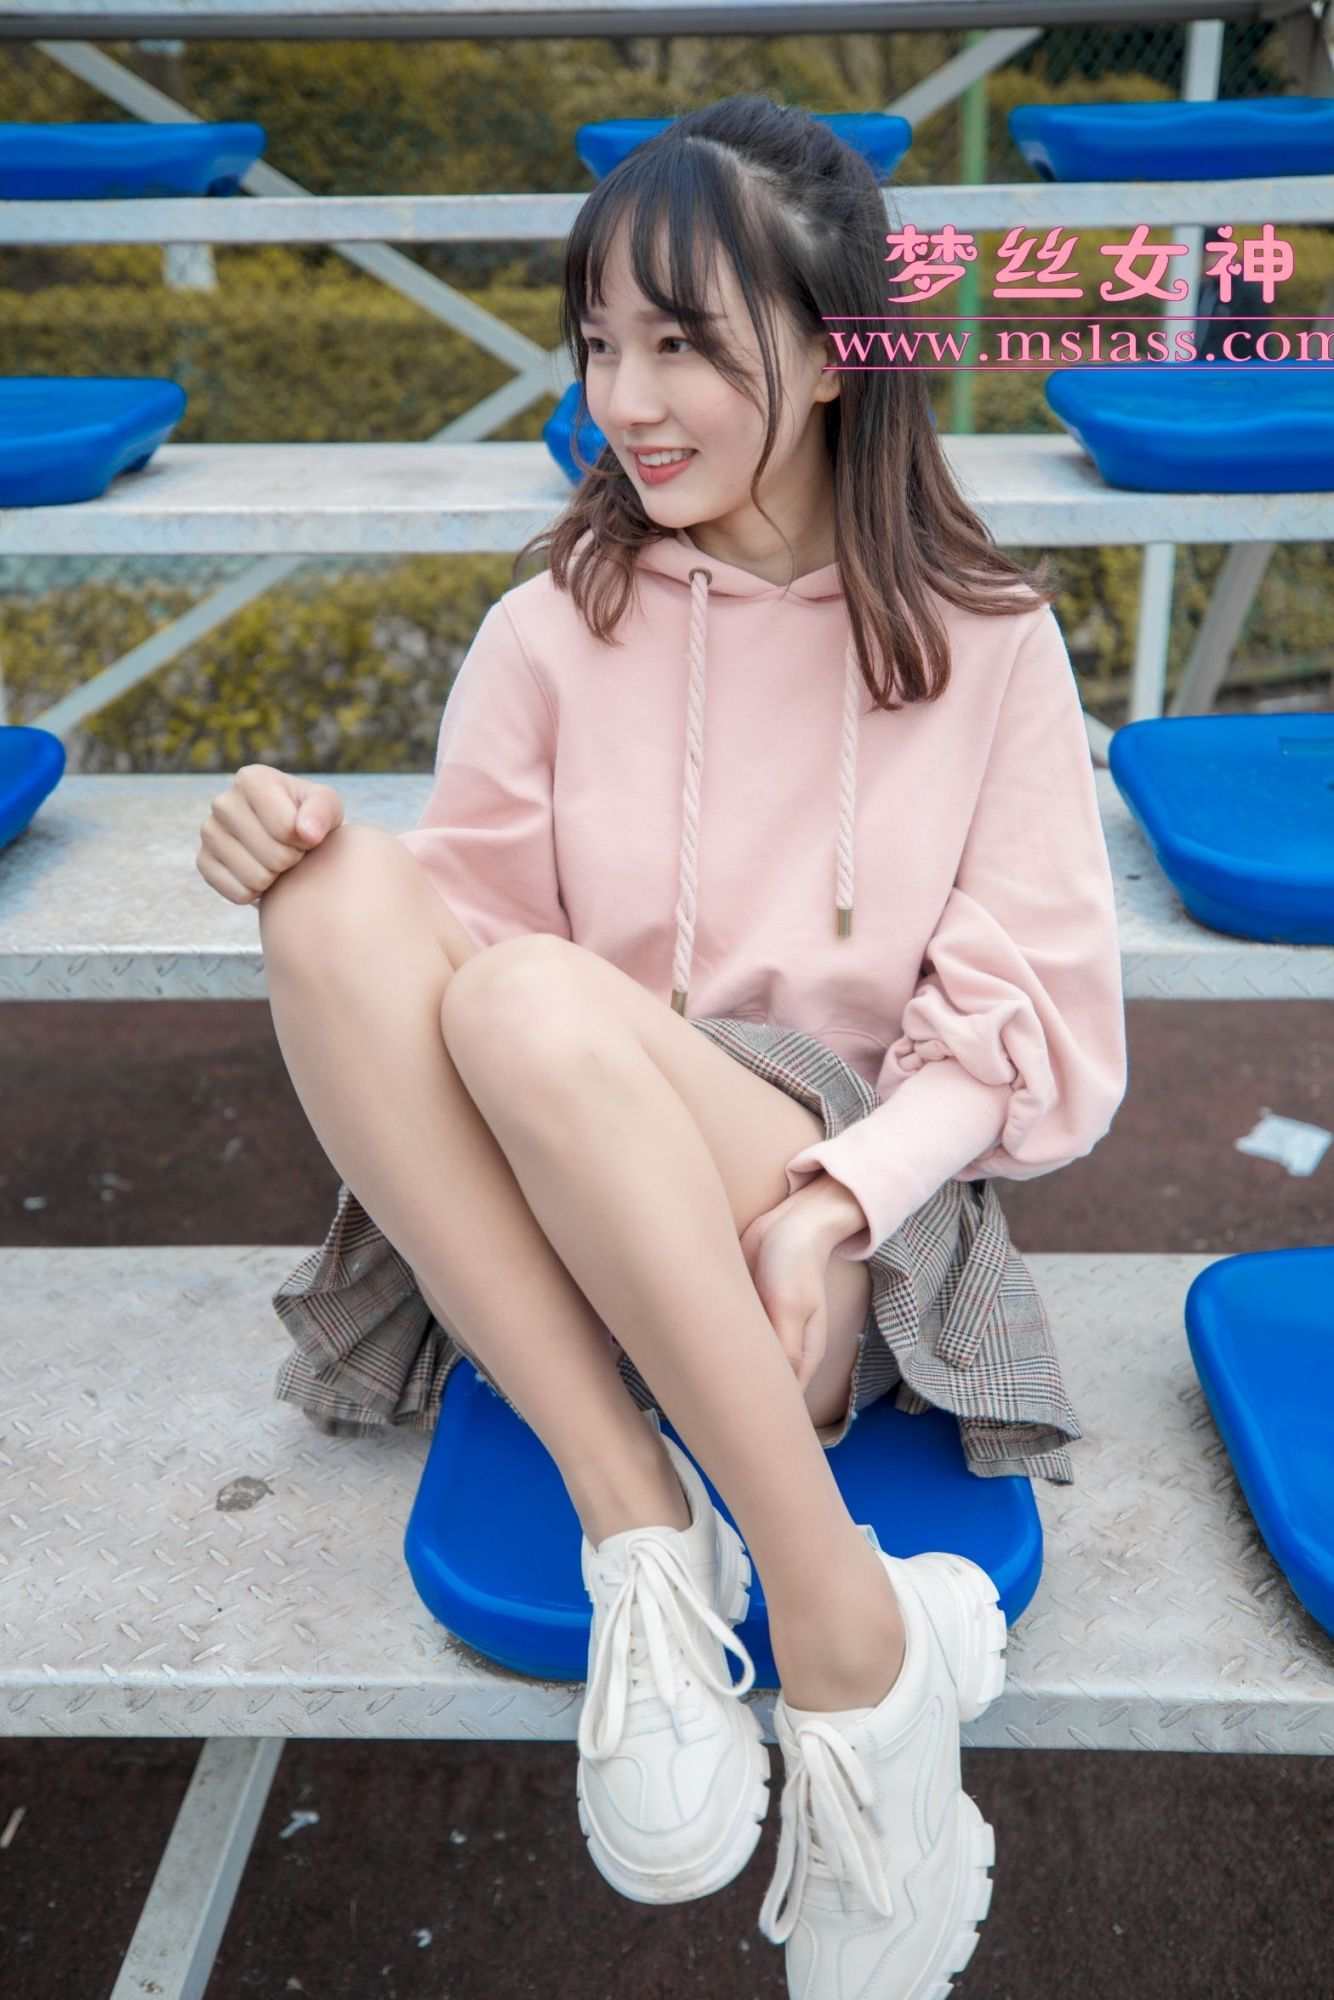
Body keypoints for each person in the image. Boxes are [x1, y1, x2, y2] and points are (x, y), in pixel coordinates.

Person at [196, 94, 1127, 2000]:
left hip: (825, 1233)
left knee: (526, 997)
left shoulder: (987, 643)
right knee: (341, 898)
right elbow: (451, 972)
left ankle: (841, 1643)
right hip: (573, 1219)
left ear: (838, 352)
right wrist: (291, 847)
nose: (626, 399)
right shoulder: (549, 630)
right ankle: (648, 1532)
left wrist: (830, 1206)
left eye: (684, 343)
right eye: (599, 342)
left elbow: (1016, 1033)